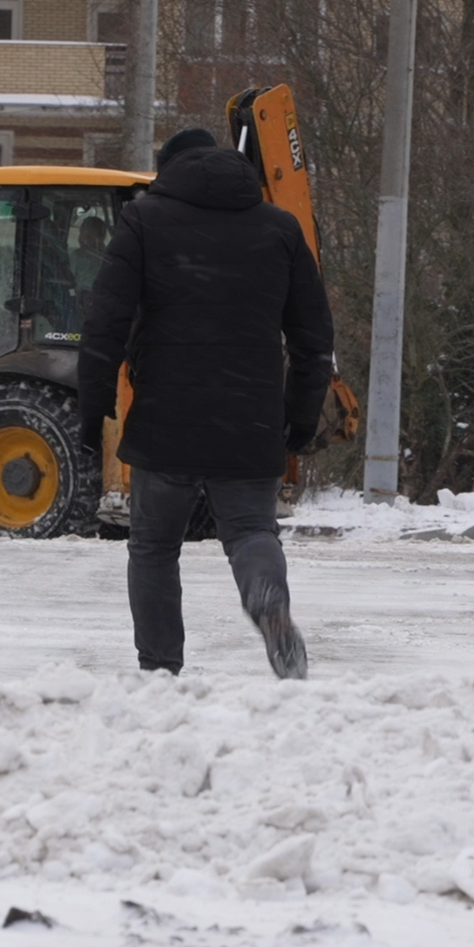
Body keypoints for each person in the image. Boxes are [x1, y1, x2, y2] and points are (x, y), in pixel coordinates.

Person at [78, 127, 334, 680]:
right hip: (250, 416)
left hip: (166, 417)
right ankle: (266, 596)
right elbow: (314, 338)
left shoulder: (143, 221)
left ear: (168, 170)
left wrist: (92, 405)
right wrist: (301, 414)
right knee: (251, 532)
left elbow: (106, 320)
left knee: (153, 546)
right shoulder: (280, 228)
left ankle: (160, 670)